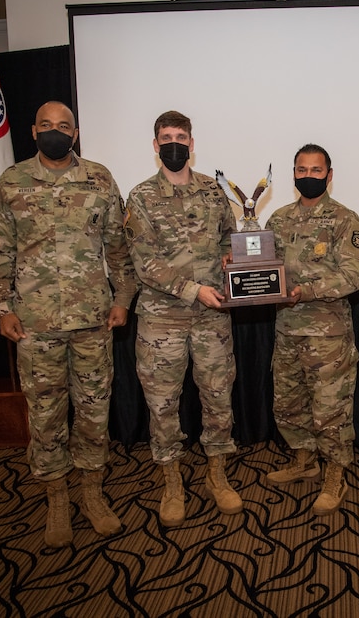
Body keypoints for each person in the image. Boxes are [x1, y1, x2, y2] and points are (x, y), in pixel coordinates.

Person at [0, 101, 137, 549]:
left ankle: (91, 494)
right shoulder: (13, 181)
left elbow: (118, 246)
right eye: (47, 125)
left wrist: (123, 298)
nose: (55, 131)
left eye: (63, 126)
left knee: (93, 411)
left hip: (92, 319)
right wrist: (2, 308)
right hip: (35, 323)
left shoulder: (99, 178)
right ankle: (56, 499)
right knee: (46, 415)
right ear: (34, 131)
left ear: (76, 132)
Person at [124, 110, 242, 527]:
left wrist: (233, 258)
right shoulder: (140, 197)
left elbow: (230, 237)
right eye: (166, 137)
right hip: (162, 319)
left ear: (192, 143)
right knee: (163, 404)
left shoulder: (214, 191)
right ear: (156, 146)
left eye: (181, 136)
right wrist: (194, 291)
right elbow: (144, 261)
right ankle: (172, 481)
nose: (174, 143)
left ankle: (217, 475)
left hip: (213, 319)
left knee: (217, 397)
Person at [264, 144, 359, 515]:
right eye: (301, 170)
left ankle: (335, 475)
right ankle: (304, 461)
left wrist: (305, 291)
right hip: (287, 331)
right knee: (289, 404)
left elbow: (354, 277)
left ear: (329, 174)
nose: (309, 176)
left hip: (328, 336)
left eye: (316, 170)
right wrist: (240, 268)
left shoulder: (344, 220)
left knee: (330, 410)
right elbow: (264, 268)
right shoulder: (277, 219)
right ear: (294, 174)